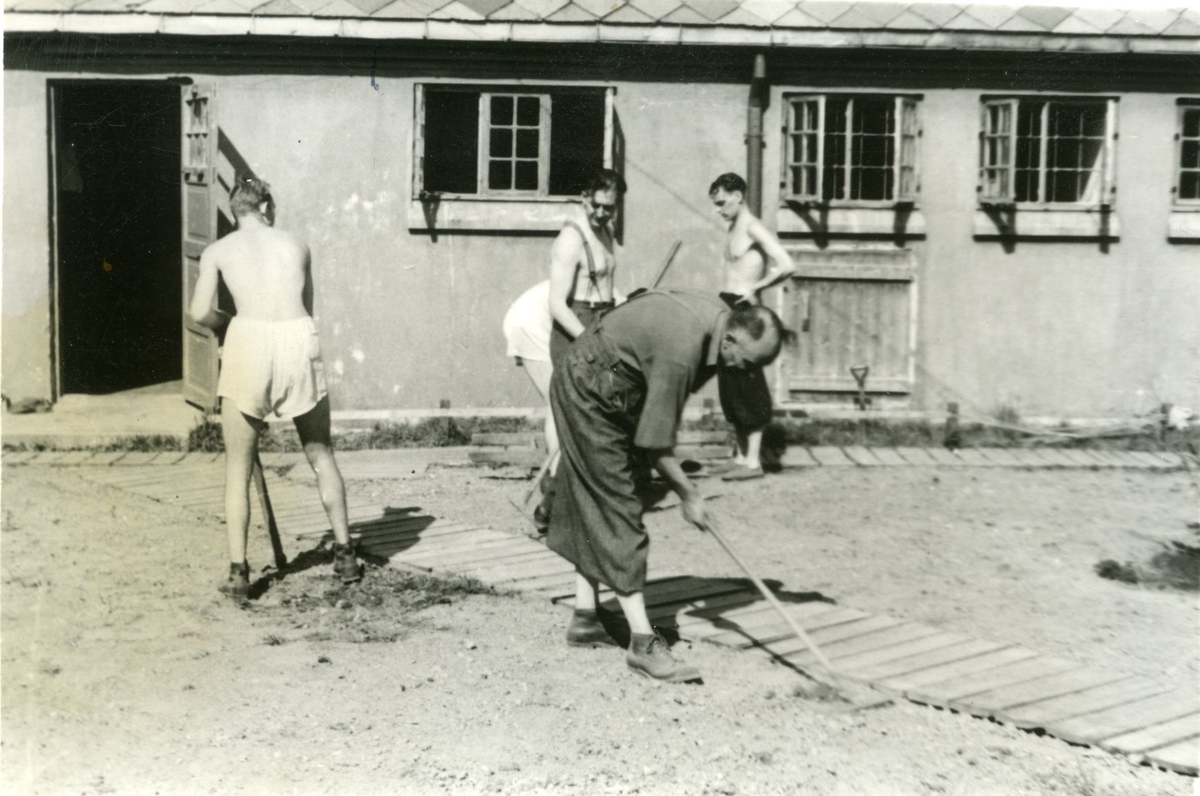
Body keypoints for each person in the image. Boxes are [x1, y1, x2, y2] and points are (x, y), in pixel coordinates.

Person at [547, 290, 786, 682]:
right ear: (730, 339)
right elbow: (655, 443)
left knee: (599, 497)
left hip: (617, 384)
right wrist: (689, 493)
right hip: (589, 385)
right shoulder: (684, 349)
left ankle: (586, 618)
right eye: (747, 362)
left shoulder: (719, 323)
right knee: (617, 504)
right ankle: (643, 644)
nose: (746, 373)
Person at [189, 177, 361, 598]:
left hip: (248, 338)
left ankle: (239, 573)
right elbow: (308, 308)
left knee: (237, 467)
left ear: (236, 212)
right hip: (297, 337)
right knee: (321, 453)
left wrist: (226, 324)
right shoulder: (297, 244)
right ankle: (345, 555)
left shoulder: (217, 251)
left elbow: (198, 312)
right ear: (266, 207)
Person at [504, 169, 627, 531]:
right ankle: (552, 503)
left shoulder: (606, 232)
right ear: (585, 198)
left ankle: (573, 499)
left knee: (601, 413)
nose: (602, 213)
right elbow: (557, 305)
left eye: (610, 208)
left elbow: (607, 290)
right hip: (575, 332)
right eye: (597, 206)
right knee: (572, 417)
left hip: (601, 324)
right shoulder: (570, 240)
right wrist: (590, 340)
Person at [708, 173, 796, 480]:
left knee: (748, 383)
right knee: (730, 385)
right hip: (728, 309)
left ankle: (753, 462)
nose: (719, 209)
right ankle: (740, 457)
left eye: (722, 203)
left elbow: (787, 264)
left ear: (738, 196)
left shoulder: (753, 227)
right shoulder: (734, 227)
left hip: (746, 314)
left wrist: (756, 287)